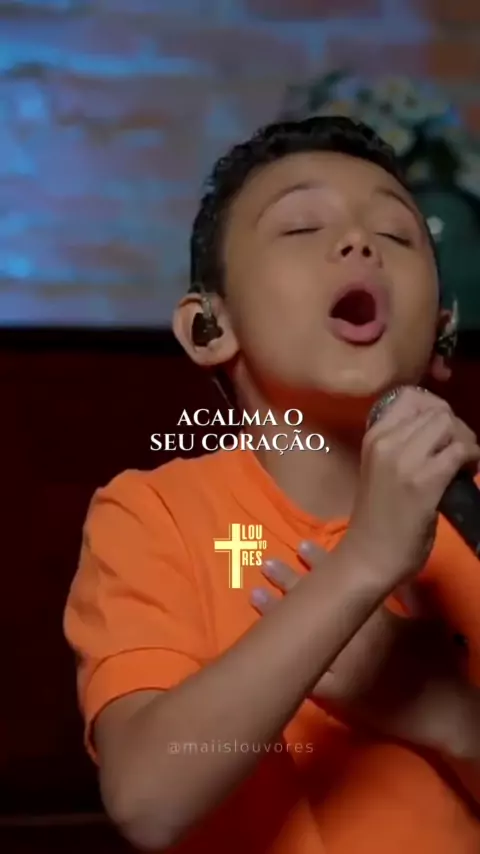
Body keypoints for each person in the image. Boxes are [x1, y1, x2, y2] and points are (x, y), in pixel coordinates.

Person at [64, 116, 480, 853]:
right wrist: (364, 563)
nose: (359, 244)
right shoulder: (154, 515)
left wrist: (447, 716)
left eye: (396, 234)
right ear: (208, 328)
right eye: (300, 227)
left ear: (443, 333)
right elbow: (149, 798)